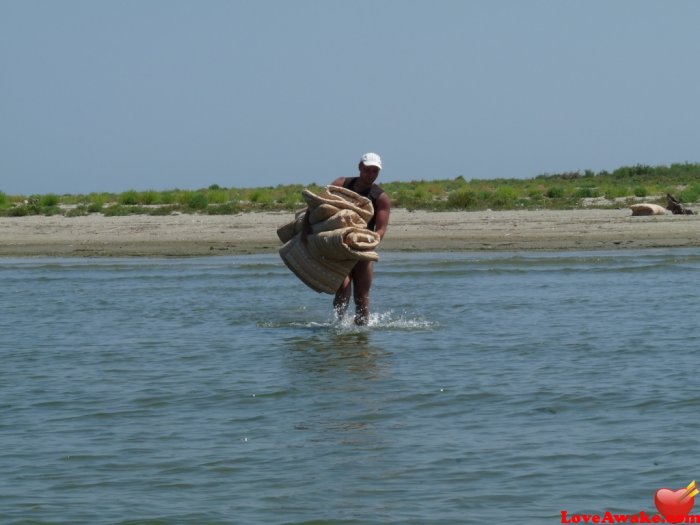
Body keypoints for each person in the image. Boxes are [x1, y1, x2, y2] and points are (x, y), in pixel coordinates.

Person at [329, 152, 391, 325]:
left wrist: (366, 242)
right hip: (339, 246)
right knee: (343, 289)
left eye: (374, 171)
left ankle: (362, 332)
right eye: (367, 169)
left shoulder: (381, 197)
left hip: (363, 248)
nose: (370, 174)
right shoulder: (341, 184)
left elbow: (380, 230)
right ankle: (339, 325)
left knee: (362, 297)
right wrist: (305, 233)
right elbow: (319, 206)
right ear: (360, 167)